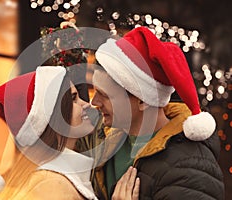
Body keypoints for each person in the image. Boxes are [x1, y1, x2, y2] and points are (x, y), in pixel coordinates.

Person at [82, 26, 224, 199]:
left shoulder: (188, 171)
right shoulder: (108, 135)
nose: (94, 102)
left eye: (105, 95)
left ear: (143, 100)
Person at [0, 66, 140, 199]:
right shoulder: (50, 186)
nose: (87, 104)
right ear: (51, 117)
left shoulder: (58, 178)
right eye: (74, 99)